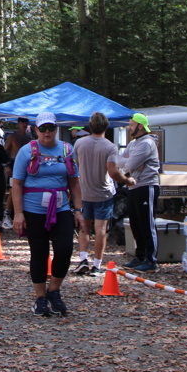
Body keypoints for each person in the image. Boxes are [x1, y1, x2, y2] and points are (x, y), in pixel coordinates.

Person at [11, 112, 82, 317]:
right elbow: (17, 184)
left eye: (51, 128)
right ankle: (40, 298)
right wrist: (18, 213)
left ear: (56, 129)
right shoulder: (27, 151)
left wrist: (79, 210)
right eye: (43, 128)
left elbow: (74, 182)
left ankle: (54, 291)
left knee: (65, 249)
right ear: (36, 129)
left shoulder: (67, 150)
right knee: (39, 253)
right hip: (34, 210)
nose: (47, 132)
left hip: (61, 208)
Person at [73, 112, 128, 276]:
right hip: (103, 193)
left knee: (84, 227)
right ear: (106, 126)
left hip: (84, 192)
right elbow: (113, 172)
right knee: (100, 230)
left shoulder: (79, 143)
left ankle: (83, 259)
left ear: (90, 126)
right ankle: (96, 265)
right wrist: (127, 180)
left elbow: (76, 165)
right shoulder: (110, 147)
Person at [117, 113, 160, 272]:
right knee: (135, 223)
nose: (129, 127)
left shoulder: (147, 143)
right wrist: (129, 162)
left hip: (147, 186)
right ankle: (140, 256)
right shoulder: (133, 143)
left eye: (131, 124)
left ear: (140, 126)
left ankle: (151, 260)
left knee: (146, 223)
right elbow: (119, 161)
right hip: (133, 186)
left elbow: (128, 166)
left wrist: (130, 163)